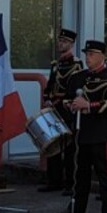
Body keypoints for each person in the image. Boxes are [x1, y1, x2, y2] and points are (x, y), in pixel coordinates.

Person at [55, 39, 107, 213]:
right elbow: (67, 99)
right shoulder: (79, 77)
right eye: (86, 54)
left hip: (101, 132)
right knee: (80, 173)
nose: (88, 58)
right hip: (82, 131)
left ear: (102, 56)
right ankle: (77, 207)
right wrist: (72, 105)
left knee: (105, 174)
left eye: (92, 55)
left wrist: (88, 105)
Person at [39, 29, 81, 194]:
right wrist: (47, 96)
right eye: (60, 41)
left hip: (67, 109)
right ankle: (54, 181)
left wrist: (62, 99)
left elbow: (75, 88)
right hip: (55, 108)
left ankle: (70, 183)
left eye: (64, 41)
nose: (60, 44)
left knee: (70, 148)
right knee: (53, 144)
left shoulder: (76, 64)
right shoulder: (55, 65)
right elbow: (50, 86)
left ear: (71, 44)